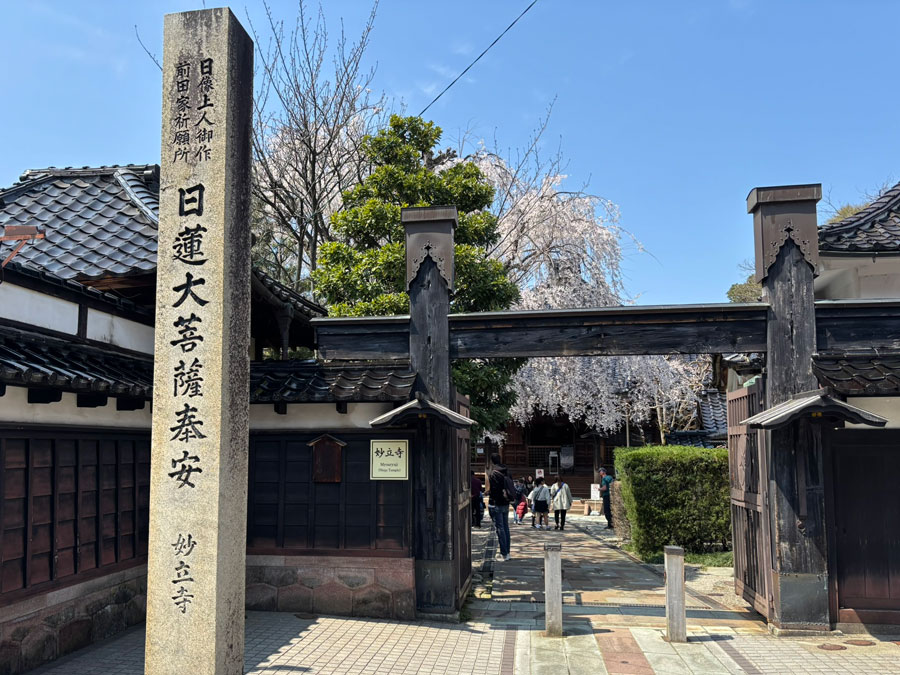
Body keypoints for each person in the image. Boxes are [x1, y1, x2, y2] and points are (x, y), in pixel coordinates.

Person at [488, 453, 516, 560]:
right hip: (506, 501)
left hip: (497, 503)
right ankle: (507, 552)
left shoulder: (494, 473)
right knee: (505, 527)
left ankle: (503, 553)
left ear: (492, 461)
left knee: (500, 528)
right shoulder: (507, 471)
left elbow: (494, 490)